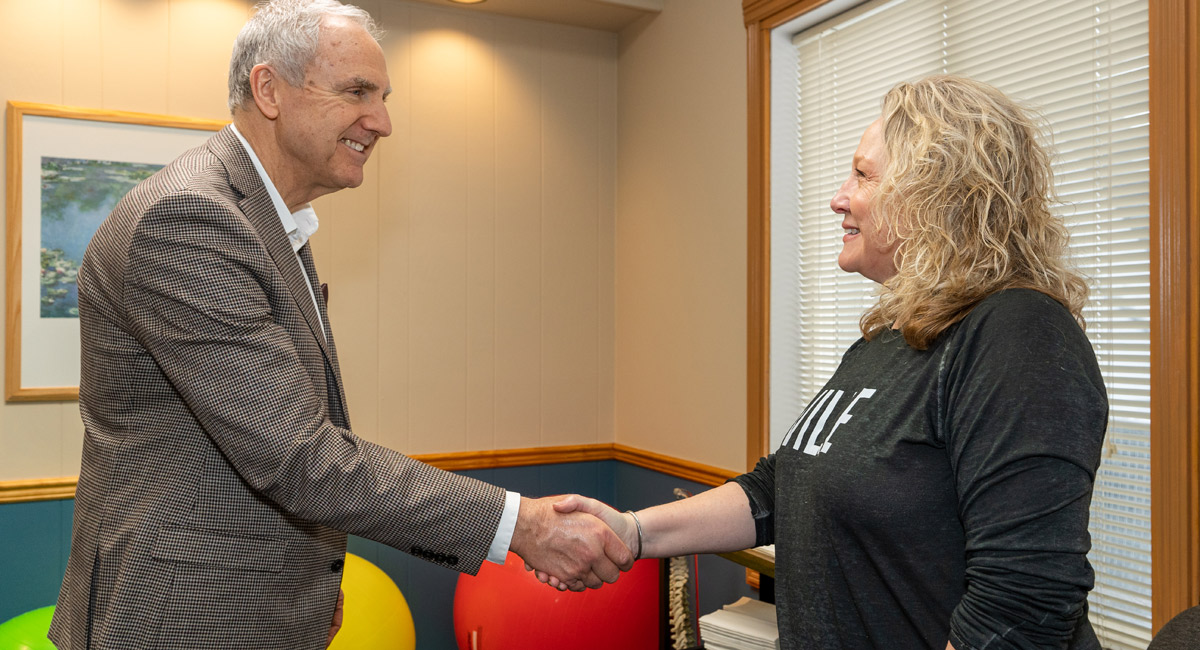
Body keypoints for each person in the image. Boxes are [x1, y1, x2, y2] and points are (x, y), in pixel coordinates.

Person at [48, 1, 629, 648]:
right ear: (269, 90)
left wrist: (310, 576)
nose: (381, 122)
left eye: (382, 97)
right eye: (356, 92)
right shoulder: (190, 219)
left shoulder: (265, 218)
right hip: (183, 620)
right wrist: (523, 525)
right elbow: (298, 456)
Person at [554, 75, 1109, 649]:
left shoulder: (1019, 333)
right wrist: (631, 531)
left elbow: (1021, 603)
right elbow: (782, 488)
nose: (838, 197)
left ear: (937, 196)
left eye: (863, 176)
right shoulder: (894, 336)